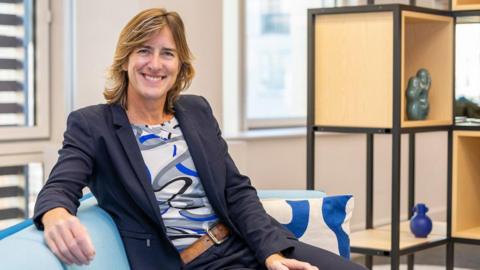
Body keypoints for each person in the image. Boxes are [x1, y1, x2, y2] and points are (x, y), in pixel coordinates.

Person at [33, 8, 366, 270]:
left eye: (167, 53)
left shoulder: (196, 111)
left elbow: (235, 190)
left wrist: (270, 253)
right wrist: (56, 214)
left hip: (246, 242)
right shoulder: (93, 125)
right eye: (143, 50)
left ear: (180, 65)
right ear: (125, 60)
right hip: (195, 262)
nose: (155, 63)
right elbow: (60, 186)